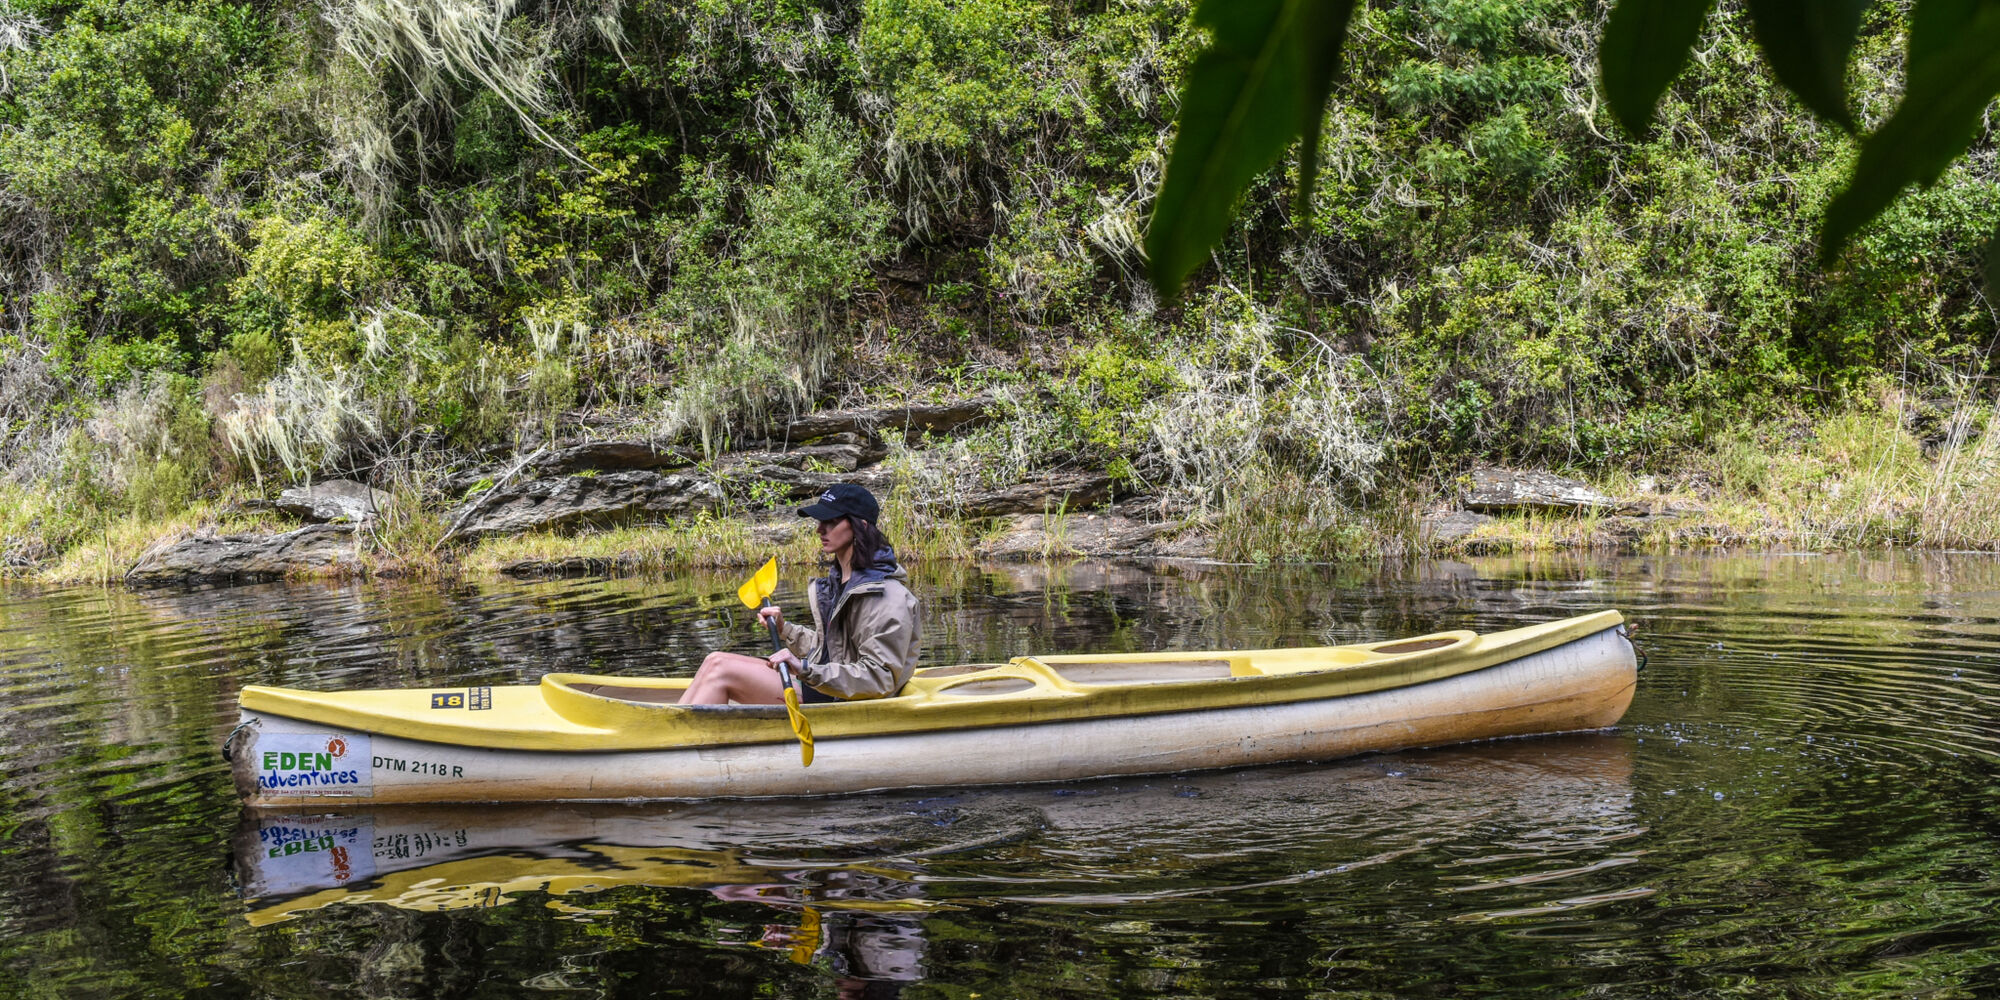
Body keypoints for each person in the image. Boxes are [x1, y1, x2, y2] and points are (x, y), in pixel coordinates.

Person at [678, 484, 920, 705]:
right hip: (826, 684)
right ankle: (675, 734)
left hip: (844, 699)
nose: (819, 529)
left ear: (861, 526)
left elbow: (879, 678)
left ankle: (675, 744)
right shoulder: (843, 582)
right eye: (820, 521)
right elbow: (833, 650)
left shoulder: (888, 596)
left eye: (831, 521)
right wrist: (786, 630)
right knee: (713, 660)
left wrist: (804, 669)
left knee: (722, 670)